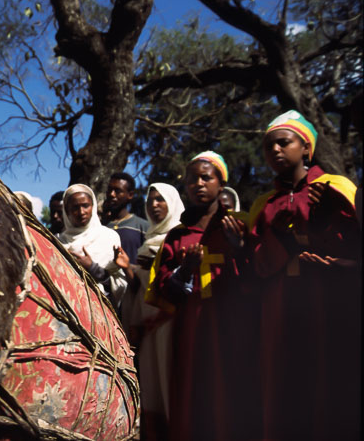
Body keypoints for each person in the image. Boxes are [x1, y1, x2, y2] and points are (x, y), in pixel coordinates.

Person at [248, 110, 360, 440]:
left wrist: (328, 219)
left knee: (327, 381)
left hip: (327, 301)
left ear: (306, 148)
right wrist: (276, 240)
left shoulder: (337, 187)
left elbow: (354, 245)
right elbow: (257, 264)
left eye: (284, 142)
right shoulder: (263, 205)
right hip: (279, 305)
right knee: (282, 384)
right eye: (269, 147)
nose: (275, 151)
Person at [146, 151, 259, 440]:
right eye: (192, 179)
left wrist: (242, 247)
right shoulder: (177, 236)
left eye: (206, 177)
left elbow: (262, 275)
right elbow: (162, 288)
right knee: (192, 394)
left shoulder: (240, 224)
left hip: (234, 325)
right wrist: (184, 271)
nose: (198, 184)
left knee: (235, 392)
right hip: (192, 329)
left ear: (221, 185)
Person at [129, 183, 184, 441]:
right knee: (152, 386)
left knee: (171, 381)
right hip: (148, 324)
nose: (154, 205)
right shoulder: (148, 239)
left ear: (172, 203)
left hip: (170, 322)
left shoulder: (179, 236)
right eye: (150, 200)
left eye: (161, 199)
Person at [60, 184, 128, 307]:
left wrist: (92, 268)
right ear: (66, 210)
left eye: (85, 206)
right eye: (75, 207)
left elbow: (120, 284)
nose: (81, 212)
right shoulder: (58, 242)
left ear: (93, 206)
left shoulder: (108, 237)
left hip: (101, 311)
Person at [104, 172, 149, 262]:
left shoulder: (142, 227)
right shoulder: (101, 226)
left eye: (117, 191)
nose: (112, 194)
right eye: (110, 190)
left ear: (130, 195)